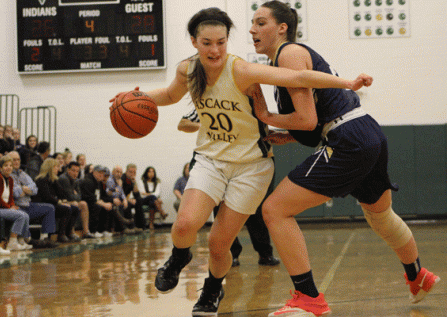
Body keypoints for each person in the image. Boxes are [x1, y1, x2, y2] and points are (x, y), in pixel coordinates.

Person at [110, 7, 371, 316]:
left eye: (221, 42)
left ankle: (211, 290)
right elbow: (169, 94)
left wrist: (347, 83)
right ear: (195, 42)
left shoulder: (241, 70)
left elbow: (297, 75)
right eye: (207, 42)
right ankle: (179, 257)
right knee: (184, 224)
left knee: (220, 244)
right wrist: (135, 97)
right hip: (210, 159)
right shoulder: (187, 71)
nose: (215, 49)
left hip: (251, 166)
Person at [249, 2, 440, 316]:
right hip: (366, 131)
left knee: (274, 209)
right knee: (381, 217)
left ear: (282, 27)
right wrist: (290, 133)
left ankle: (307, 297)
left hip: (347, 138)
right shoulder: (287, 60)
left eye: (260, 22)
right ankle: (417, 274)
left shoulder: (288, 53)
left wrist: (267, 116)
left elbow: (308, 119)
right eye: (252, 23)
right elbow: (311, 125)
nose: (253, 29)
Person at [179, 110, 280, 267]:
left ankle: (265, 253)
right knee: (220, 211)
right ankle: (231, 254)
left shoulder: (248, 99)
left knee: (256, 212)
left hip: (249, 163)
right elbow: (183, 124)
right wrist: (209, 126)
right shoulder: (207, 101)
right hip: (219, 163)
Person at [8, 151, 58, 248]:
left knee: (49, 208)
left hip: (28, 205)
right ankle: (28, 239)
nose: (16, 162)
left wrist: (25, 189)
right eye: (14, 159)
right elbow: (15, 193)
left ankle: (44, 238)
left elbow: (35, 189)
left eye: (18, 159)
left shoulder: (23, 174)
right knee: (22, 214)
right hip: (17, 206)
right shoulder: (8, 175)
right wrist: (23, 189)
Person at [0, 155, 33, 251]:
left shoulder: (10, 179)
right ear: (0, 168)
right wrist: (8, 207)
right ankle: (12, 242)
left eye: (10, 165)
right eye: (6, 165)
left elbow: (11, 197)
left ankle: (21, 240)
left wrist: (12, 205)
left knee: (25, 214)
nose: (9, 167)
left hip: (5, 207)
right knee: (20, 215)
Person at [33, 158, 80, 243]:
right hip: (44, 204)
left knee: (75, 209)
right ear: (50, 167)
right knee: (66, 209)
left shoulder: (54, 179)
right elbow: (47, 197)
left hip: (53, 203)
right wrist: (60, 202)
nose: (58, 169)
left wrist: (66, 201)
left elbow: (62, 194)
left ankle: (69, 233)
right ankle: (61, 235)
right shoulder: (42, 179)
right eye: (56, 167)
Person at [58, 161, 94, 239]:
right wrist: (74, 194)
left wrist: (75, 195)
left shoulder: (76, 180)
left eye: (77, 171)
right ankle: (71, 232)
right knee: (75, 204)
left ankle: (86, 231)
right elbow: (70, 196)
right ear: (68, 170)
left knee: (83, 203)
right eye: (73, 170)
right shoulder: (64, 178)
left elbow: (79, 196)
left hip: (70, 200)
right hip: (62, 201)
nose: (75, 173)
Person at [80, 165, 113, 238]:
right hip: (87, 201)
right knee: (97, 206)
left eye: (103, 173)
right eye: (99, 173)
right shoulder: (88, 181)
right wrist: (102, 203)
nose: (102, 175)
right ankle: (93, 231)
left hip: (94, 200)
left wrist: (103, 202)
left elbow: (99, 196)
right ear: (94, 172)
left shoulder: (98, 182)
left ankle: (103, 230)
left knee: (108, 205)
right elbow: (89, 197)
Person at [106, 165, 140, 234]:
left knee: (128, 203)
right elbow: (108, 193)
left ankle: (132, 226)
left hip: (117, 200)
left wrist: (124, 199)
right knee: (120, 204)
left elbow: (122, 193)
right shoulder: (110, 180)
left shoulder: (119, 181)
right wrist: (116, 198)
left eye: (120, 172)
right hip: (109, 199)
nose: (119, 174)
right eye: (117, 172)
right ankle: (124, 228)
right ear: (113, 172)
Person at [121, 164, 146, 230]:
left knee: (139, 201)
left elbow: (137, 194)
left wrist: (134, 183)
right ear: (126, 171)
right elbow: (119, 193)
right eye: (130, 172)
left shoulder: (132, 180)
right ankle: (131, 226)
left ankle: (141, 226)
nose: (132, 174)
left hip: (126, 199)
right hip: (120, 199)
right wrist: (128, 199)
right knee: (128, 204)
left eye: (134, 172)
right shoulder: (122, 179)